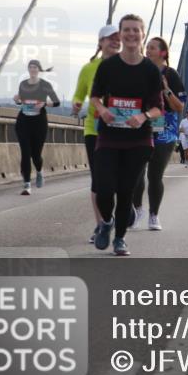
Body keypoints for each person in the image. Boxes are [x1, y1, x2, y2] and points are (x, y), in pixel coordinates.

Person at [89, 14, 163, 256]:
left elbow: (158, 107)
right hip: (109, 137)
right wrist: (102, 111)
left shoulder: (150, 70)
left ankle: (119, 239)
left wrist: (143, 117)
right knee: (104, 188)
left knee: (125, 190)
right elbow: (95, 97)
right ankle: (106, 223)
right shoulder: (107, 67)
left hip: (138, 140)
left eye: (136, 30)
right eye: (127, 30)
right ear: (120, 34)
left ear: (142, 34)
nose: (131, 34)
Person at [71, 24, 121, 242]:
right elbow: (79, 94)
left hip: (122, 129)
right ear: (100, 42)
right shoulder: (89, 68)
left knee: (119, 180)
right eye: (110, 38)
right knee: (99, 180)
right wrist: (75, 104)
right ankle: (101, 225)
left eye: (117, 38)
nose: (115, 41)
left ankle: (121, 211)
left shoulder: (127, 66)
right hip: (95, 129)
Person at [131, 37, 186, 231]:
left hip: (165, 131)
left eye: (152, 48)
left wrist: (165, 89)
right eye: (146, 47)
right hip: (140, 126)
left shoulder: (172, 74)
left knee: (155, 176)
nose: (147, 50)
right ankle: (138, 210)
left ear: (163, 52)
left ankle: (154, 215)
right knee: (136, 174)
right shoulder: (138, 71)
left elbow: (179, 107)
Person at [13, 59, 61, 195]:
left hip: (39, 123)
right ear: (28, 69)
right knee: (25, 153)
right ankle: (27, 184)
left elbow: (57, 102)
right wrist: (16, 100)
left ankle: (39, 172)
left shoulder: (45, 85)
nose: (33, 69)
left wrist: (45, 103)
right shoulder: (23, 84)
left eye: (35, 67)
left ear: (39, 69)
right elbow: (21, 101)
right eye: (30, 67)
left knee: (36, 155)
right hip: (23, 121)